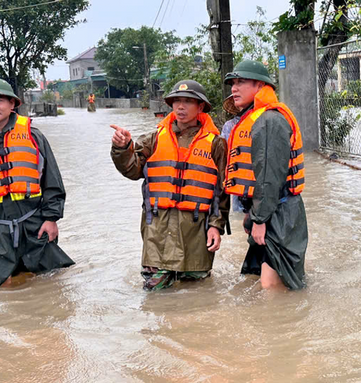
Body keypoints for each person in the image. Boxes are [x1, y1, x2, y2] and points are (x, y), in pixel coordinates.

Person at [0, 78, 74, 286]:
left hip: (35, 223)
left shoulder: (34, 136)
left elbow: (52, 181)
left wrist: (51, 218)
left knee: (53, 282)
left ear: (12, 104)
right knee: (1, 287)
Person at [110, 80, 229, 291]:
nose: (180, 107)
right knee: (155, 295)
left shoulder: (216, 143)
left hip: (196, 232)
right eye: (176, 102)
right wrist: (123, 148)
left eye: (187, 102)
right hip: (157, 230)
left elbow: (221, 191)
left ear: (200, 107)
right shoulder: (152, 139)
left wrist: (215, 226)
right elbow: (132, 170)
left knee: (197, 295)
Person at [224, 60, 308, 290]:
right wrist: (251, 214)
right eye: (233, 83)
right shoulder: (257, 117)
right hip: (269, 210)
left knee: (272, 287)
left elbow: (270, 176)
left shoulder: (269, 120)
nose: (234, 88)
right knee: (264, 279)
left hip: (279, 213)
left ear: (260, 85)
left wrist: (259, 219)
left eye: (241, 82)